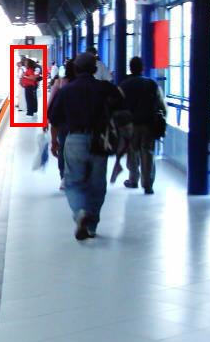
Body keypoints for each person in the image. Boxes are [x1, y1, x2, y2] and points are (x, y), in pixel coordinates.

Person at [48, 52, 125, 240]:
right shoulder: (106, 88)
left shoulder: (66, 90)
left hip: (75, 138)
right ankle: (91, 225)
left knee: (74, 182)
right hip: (100, 140)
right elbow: (122, 109)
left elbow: (54, 119)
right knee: (97, 184)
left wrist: (54, 141)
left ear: (75, 69)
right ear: (95, 69)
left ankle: (80, 212)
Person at [119, 56, 166, 194]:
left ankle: (133, 179)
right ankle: (147, 184)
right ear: (142, 68)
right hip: (148, 124)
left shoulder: (124, 85)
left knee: (132, 152)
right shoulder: (151, 84)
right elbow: (161, 105)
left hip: (130, 125)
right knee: (148, 152)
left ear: (130, 68)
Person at [47, 58, 76, 189]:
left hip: (62, 121)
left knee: (63, 148)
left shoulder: (59, 82)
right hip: (78, 122)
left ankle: (64, 177)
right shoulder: (82, 84)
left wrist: (47, 120)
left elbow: (51, 101)